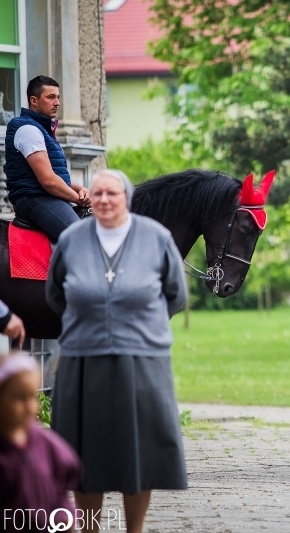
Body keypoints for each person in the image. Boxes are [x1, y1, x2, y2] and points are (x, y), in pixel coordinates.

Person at [46, 169, 188, 533]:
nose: (105, 200)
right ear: (89, 199)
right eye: (98, 194)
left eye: (113, 194)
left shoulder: (156, 238)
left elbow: (177, 294)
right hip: (81, 360)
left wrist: (142, 329)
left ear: (127, 198)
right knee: (83, 457)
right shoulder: (72, 239)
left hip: (143, 362)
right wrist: (88, 324)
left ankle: (134, 530)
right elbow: (55, 294)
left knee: (138, 456)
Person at [3, 75, 90, 242]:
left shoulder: (42, 130)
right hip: (35, 199)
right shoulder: (27, 129)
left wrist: (80, 188)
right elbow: (48, 180)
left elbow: (52, 175)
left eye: (58, 97)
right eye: (50, 97)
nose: (57, 102)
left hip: (46, 195)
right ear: (34, 101)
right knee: (82, 239)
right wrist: (78, 198)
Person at [0, 353, 80, 531]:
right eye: (19, 398)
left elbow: (61, 487)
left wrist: (64, 516)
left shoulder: (44, 442)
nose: (29, 406)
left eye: (33, 396)